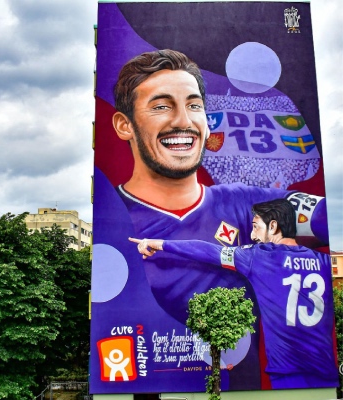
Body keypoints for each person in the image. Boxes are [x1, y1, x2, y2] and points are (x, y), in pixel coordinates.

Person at [110, 49, 328, 325]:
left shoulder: (244, 201)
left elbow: (322, 216)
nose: (183, 121)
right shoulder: (115, 218)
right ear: (124, 125)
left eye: (194, 105)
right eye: (161, 106)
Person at [130, 199, 335, 389]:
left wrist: (161, 244)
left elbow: (206, 251)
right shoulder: (324, 261)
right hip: (327, 374)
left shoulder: (258, 257)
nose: (253, 236)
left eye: (256, 227)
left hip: (288, 373)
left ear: (273, 226)